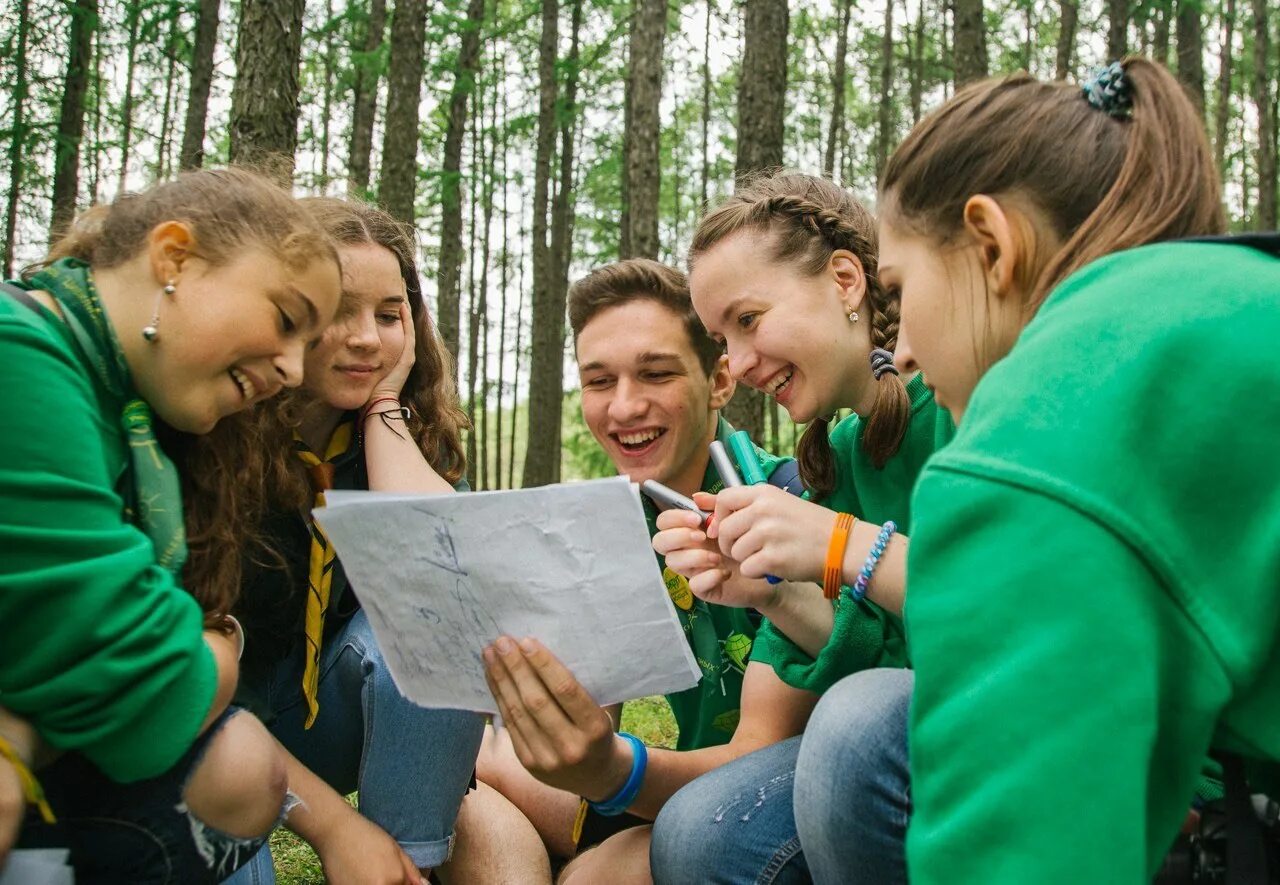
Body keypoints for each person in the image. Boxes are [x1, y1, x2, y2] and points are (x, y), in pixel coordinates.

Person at [797, 58, 1279, 883]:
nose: (900, 345)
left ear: (992, 243)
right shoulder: (1237, 304)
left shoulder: (1037, 435)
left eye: (901, 287)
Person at [0, 167, 342, 883]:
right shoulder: (19, 358)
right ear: (174, 257)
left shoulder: (122, 414)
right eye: (287, 319)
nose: (291, 367)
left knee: (240, 764)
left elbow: (143, 684)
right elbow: (150, 690)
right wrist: (217, 645)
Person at [647, 172, 952, 884]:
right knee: (696, 833)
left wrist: (841, 544)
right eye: (722, 338)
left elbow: (1007, 617)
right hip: (913, 738)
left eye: (748, 320)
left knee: (854, 728)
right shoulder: (836, 458)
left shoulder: (952, 400)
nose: (741, 363)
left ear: (846, 280)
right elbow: (878, 657)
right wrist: (769, 593)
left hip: (1014, 725)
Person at [477, 258, 820, 883]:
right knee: (475, 766)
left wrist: (613, 772)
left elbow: (757, 761)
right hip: (668, 792)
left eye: (655, 374)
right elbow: (591, 722)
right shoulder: (609, 528)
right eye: (599, 381)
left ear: (720, 380)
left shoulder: (789, 502)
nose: (625, 407)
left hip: (773, 811)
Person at [178, 198, 488, 884]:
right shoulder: (213, 436)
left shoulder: (393, 433)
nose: (367, 340)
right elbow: (187, 684)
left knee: (437, 607)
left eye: (388, 314)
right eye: (340, 310)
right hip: (203, 727)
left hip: (319, 713)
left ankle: (410, 864)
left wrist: (383, 409)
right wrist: (335, 827)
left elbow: (454, 560)